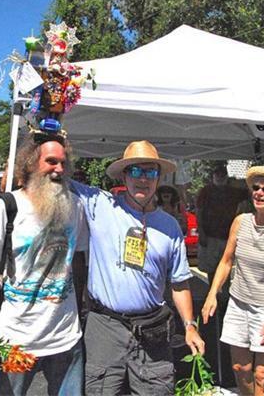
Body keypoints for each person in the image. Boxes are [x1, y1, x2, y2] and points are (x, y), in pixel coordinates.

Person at [71, 140, 205, 395]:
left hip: (152, 329)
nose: (142, 179)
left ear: (158, 178)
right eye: (135, 171)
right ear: (124, 175)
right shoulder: (100, 205)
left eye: (150, 172)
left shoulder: (169, 226)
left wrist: (190, 325)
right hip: (105, 327)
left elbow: (179, 282)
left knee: (156, 390)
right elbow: (54, 174)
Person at [0, 133, 88, 396]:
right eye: (50, 161)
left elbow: (79, 260)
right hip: (16, 339)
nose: (58, 169)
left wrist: (81, 309)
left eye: (62, 162)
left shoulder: (76, 206)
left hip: (66, 339)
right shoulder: (6, 207)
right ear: (31, 163)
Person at [202, 165, 264, 396]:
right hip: (238, 305)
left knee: (262, 377)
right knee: (240, 368)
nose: (259, 193)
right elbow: (226, 261)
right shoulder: (241, 221)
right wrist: (212, 294)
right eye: (256, 188)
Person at [196, 164, 247, 306]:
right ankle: (212, 293)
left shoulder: (233, 191)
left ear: (226, 177)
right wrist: (201, 232)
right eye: (217, 174)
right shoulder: (205, 191)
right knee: (211, 268)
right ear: (213, 176)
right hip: (210, 235)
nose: (219, 177)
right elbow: (199, 211)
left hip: (227, 236)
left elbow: (248, 191)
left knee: (226, 267)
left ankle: (224, 297)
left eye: (222, 175)